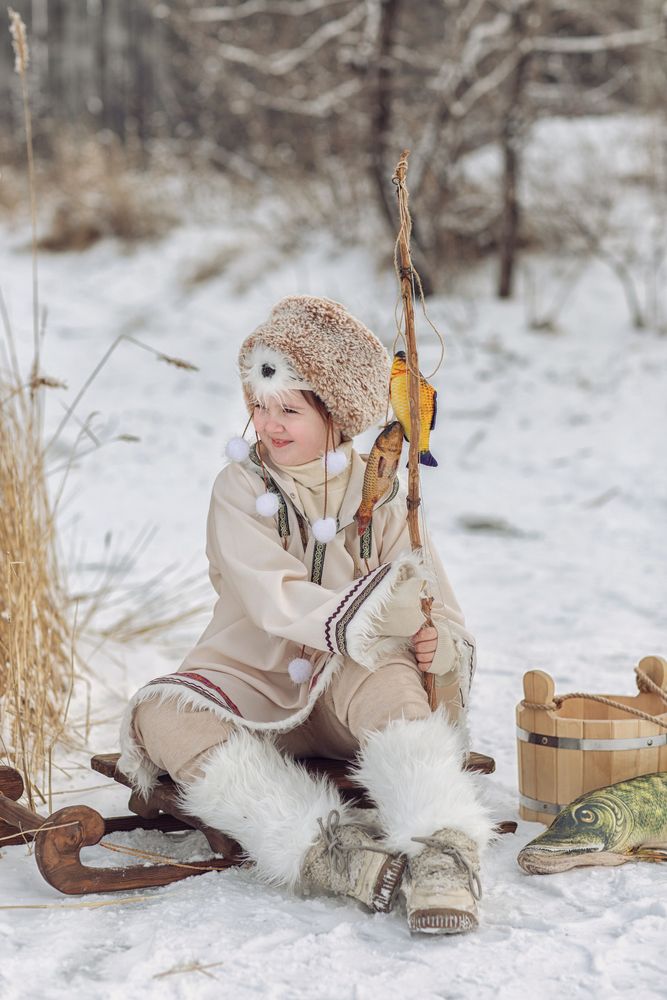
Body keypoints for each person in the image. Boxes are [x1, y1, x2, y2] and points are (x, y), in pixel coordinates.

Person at [118, 295, 492, 934]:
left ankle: (442, 851)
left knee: (393, 676)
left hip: (349, 696)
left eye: (289, 409)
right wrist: (364, 609)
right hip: (255, 687)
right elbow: (269, 593)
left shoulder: (381, 493)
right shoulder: (241, 489)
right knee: (162, 714)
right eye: (259, 407)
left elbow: (437, 605)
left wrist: (440, 643)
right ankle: (330, 852)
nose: (269, 424)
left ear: (336, 413)